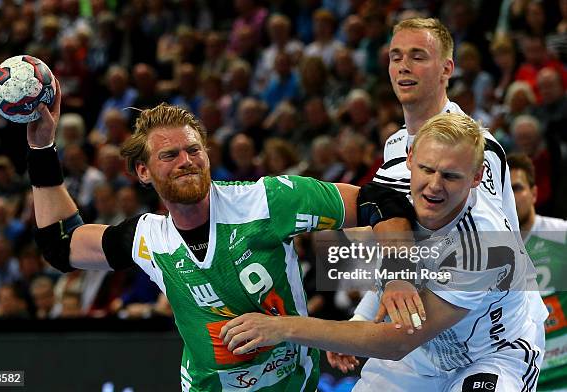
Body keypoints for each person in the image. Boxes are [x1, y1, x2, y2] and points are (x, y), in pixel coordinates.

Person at [26, 80, 416, 391]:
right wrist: (42, 146)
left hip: (295, 384)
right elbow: (61, 245)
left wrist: (396, 276)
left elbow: (379, 201)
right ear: (143, 172)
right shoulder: (148, 238)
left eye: (193, 150)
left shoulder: (265, 201)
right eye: (169, 155)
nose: (186, 161)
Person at [221, 113, 545, 392]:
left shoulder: (487, 244)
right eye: (427, 169)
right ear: (409, 160)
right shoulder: (391, 199)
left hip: (491, 353)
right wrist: (361, 318)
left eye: (450, 176)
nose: (434, 185)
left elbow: (396, 341)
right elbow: (391, 282)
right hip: (422, 356)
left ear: (476, 178)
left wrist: (282, 327)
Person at [347, 17, 546, 359]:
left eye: (418, 56)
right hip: (436, 331)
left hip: (494, 331)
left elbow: (480, 251)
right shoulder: (395, 145)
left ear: (446, 68)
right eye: (396, 57)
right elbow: (398, 240)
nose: (403, 67)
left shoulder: (478, 148)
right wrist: (362, 315)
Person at [508, 153, 567, 390]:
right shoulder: (486, 250)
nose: (510, 198)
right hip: (525, 378)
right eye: (505, 191)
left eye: (517, 188)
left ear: (534, 193)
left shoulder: (561, 235)